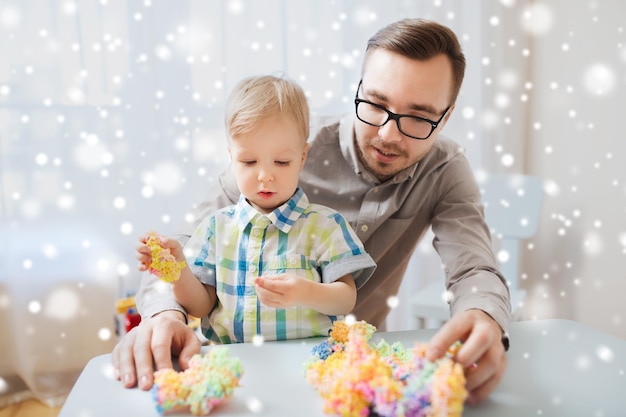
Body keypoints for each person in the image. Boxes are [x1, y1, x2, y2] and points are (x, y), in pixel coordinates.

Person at [113, 18, 510, 405]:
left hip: (353, 369)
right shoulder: (279, 148)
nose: (389, 134)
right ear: (358, 88)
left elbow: (473, 268)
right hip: (239, 367)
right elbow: (184, 245)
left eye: (419, 117)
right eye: (375, 103)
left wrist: (484, 316)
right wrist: (165, 313)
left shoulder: (444, 167)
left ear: (446, 116)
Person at [137, 75, 376, 344]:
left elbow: (346, 299)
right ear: (231, 157)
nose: (265, 176)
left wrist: (306, 292)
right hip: (233, 364)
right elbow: (201, 307)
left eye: (281, 162)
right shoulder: (216, 228)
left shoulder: (324, 225)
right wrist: (178, 271)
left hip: (306, 361)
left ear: (302, 158)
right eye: (249, 161)